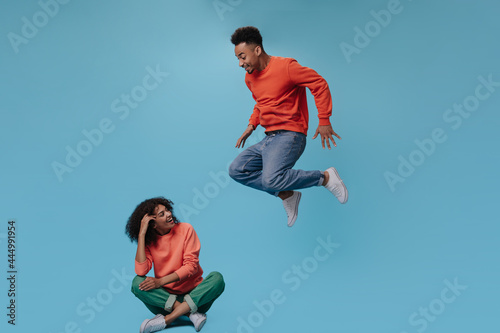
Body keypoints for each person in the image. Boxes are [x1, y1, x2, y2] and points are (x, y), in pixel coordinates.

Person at [228, 26, 349, 227]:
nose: (240, 63)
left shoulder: (286, 67)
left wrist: (324, 120)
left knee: (270, 179)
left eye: (243, 57)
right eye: (237, 59)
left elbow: (318, 84)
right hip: (268, 138)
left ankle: (326, 177)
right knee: (237, 170)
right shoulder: (250, 77)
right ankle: (286, 194)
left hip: (290, 135)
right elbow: (260, 103)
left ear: (257, 50)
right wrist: (251, 125)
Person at [126, 197, 225, 333]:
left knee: (217, 278)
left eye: (167, 210)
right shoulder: (149, 242)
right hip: (165, 301)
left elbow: (191, 267)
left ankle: (167, 320)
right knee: (137, 282)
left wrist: (160, 282)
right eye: (162, 214)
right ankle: (190, 314)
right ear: (153, 224)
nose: (169, 214)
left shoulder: (186, 229)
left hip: (197, 297)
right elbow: (141, 271)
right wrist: (142, 235)